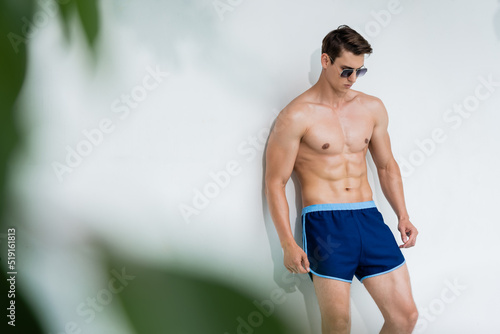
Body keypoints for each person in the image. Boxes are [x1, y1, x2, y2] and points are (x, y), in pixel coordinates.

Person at [264, 25, 419, 334]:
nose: (352, 79)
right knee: (338, 325)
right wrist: (287, 243)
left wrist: (403, 213)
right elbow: (275, 182)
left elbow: (386, 166)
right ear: (325, 61)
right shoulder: (296, 115)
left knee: (405, 316)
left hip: (369, 218)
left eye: (359, 72)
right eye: (346, 70)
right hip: (325, 224)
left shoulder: (371, 107)